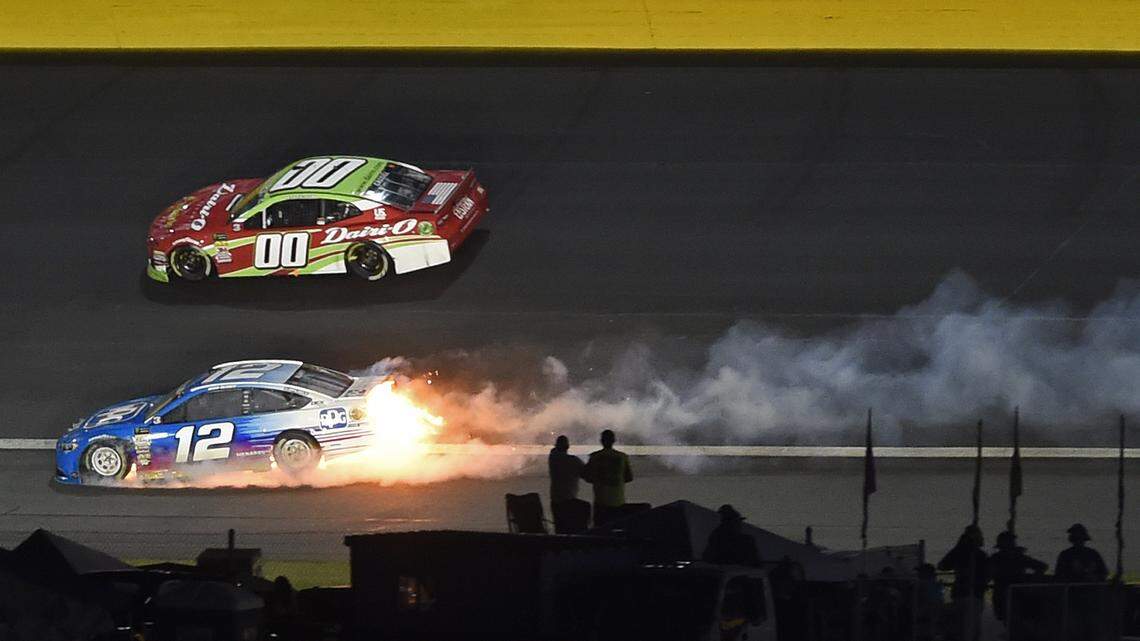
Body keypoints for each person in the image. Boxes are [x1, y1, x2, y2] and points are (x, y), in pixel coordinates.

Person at [937, 525, 988, 641]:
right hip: (970, 595)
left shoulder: (963, 553)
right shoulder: (978, 554)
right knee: (968, 630)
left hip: (967, 594)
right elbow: (942, 565)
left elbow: (942, 565)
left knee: (964, 629)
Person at [989, 530, 1047, 624]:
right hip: (1004, 596)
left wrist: (1031, 583)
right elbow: (1042, 567)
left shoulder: (1017, 557)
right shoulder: (997, 559)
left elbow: (1042, 567)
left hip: (1015, 596)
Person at [582, 429, 633, 526]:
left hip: (601, 501)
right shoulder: (622, 457)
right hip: (618, 501)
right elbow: (629, 477)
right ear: (614, 441)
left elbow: (586, 476)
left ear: (601, 441)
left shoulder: (594, 457)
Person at [548, 435, 588, 533]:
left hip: (555, 500)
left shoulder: (553, 458)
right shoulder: (573, 460)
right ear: (567, 447)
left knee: (559, 528)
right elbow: (587, 475)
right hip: (569, 500)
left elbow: (553, 451)